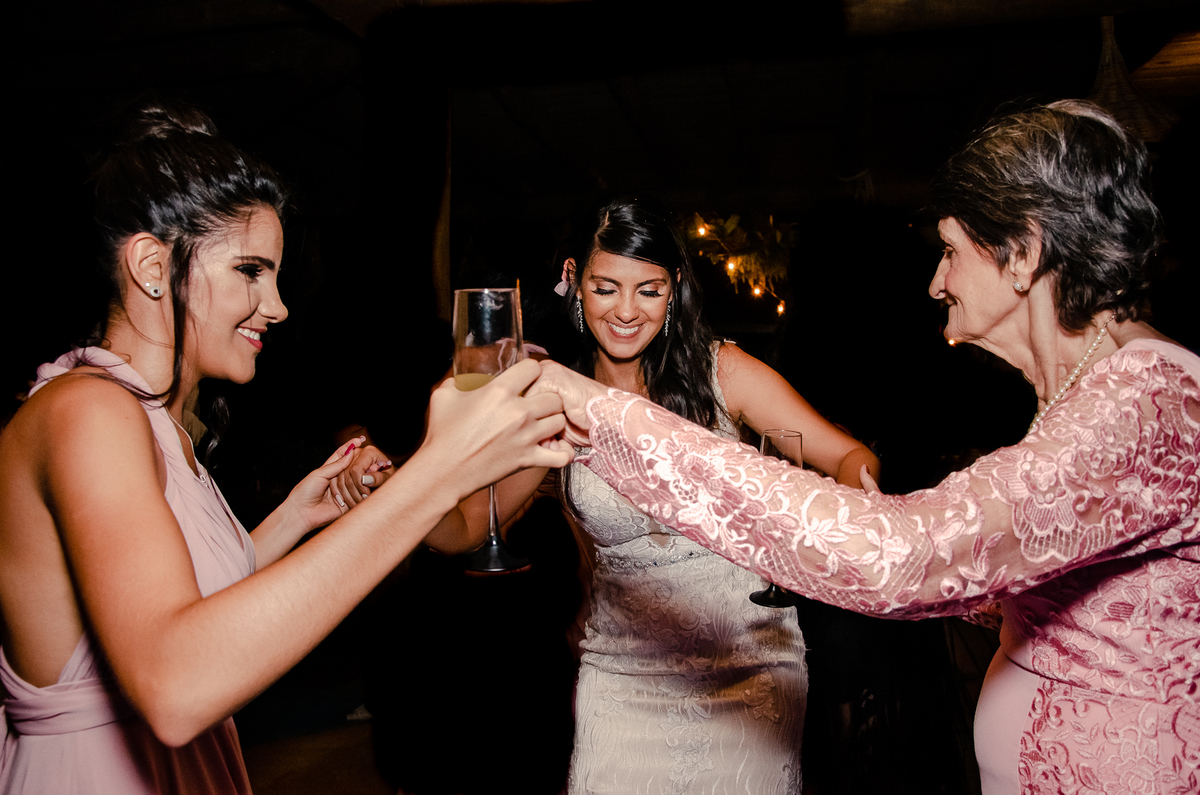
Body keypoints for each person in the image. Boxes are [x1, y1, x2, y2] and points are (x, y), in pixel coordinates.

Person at [531, 100, 1200, 794]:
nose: (936, 281)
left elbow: (902, 557)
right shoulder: (1107, 385)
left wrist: (606, 414)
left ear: (1023, 252)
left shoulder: (1144, 401)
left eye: (948, 249)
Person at [0, 99, 569, 794]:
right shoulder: (86, 409)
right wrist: (438, 473)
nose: (278, 304)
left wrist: (295, 519)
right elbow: (176, 681)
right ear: (152, 264)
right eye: (250, 271)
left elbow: (180, 604)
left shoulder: (150, 420)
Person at [426, 197, 880, 793]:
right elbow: (461, 531)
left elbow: (852, 457)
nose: (625, 311)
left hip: (748, 662)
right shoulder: (554, 401)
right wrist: (395, 488)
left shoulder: (724, 373)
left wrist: (837, 533)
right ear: (573, 282)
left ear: (673, 293)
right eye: (606, 286)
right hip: (621, 675)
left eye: (649, 290)